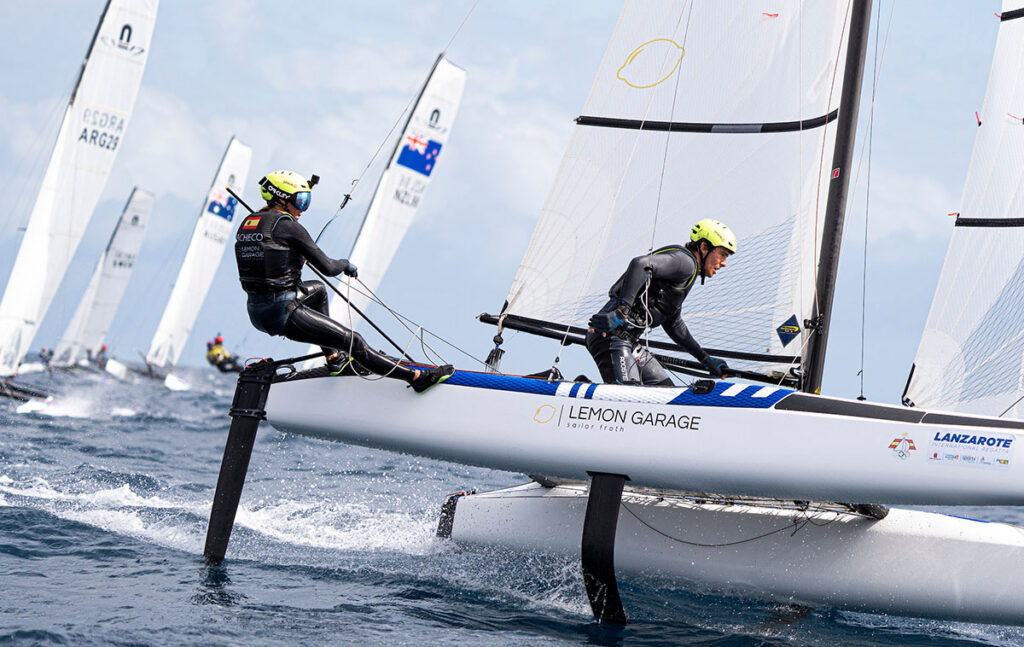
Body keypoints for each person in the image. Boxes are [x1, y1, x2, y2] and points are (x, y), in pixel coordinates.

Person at [234, 170, 452, 392]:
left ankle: (333, 358)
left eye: (306, 201)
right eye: (300, 201)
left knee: (318, 290)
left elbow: (268, 262)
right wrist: (345, 264)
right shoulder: (288, 226)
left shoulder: (249, 223)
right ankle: (416, 378)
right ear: (281, 198)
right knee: (354, 342)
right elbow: (328, 268)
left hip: (257, 311)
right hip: (283, 312)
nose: (302, 209)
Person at [585, 219, 737, 386]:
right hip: (611, 337)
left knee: (665, 392)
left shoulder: (685, 274)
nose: (724, 263)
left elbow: (673, 323)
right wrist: (623, 310)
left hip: (629, 342)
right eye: (722, 254)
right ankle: (580, 390)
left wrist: (705, 358)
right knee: (629, 396)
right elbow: (640, 264)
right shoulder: (686, 263)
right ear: (704, 247)